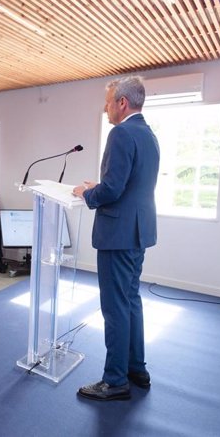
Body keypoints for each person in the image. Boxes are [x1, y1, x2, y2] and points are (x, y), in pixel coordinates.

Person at [72, 76, 160, 401]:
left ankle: (115, 380)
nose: (105, 108)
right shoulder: (148, 134)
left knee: (115, 307)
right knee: (131, 300)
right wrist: (101, 185)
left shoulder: (121, 132)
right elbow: (129, 183)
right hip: (138, 231)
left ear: (122, 103)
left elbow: (112, 190)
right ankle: (136, 368)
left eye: (108, 101)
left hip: (118, 234)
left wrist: (88, 192)